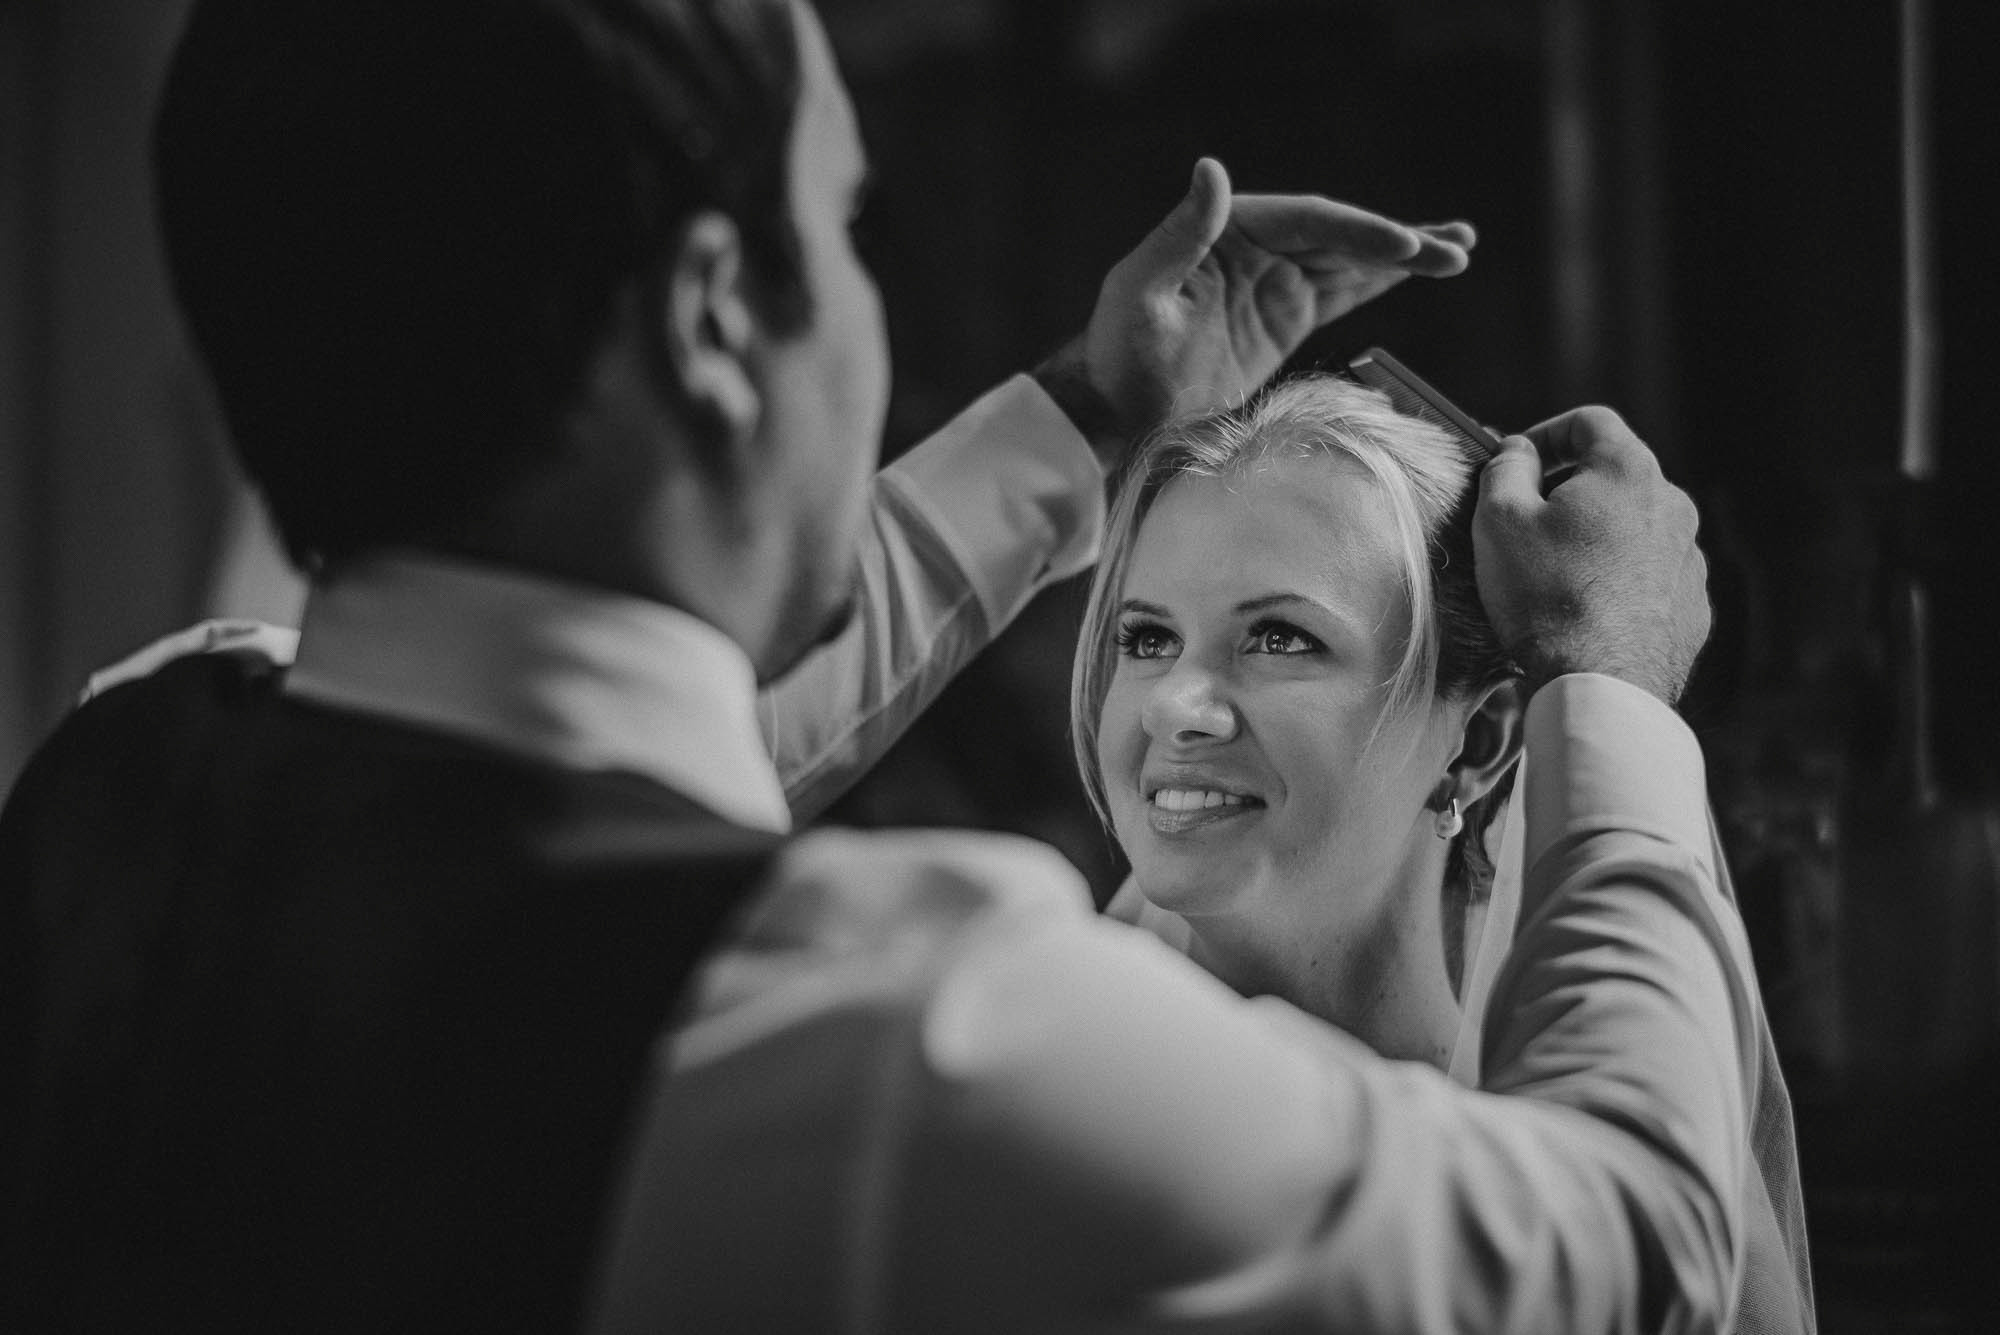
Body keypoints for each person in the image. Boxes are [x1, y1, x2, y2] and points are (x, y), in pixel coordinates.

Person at [0, 2, 1740, 1332]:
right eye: (844, 229)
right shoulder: (894, 1040)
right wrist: (1612, 681)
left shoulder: (137, 754)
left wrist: (1080, 418)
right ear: (710, 318)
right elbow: (1639, 1242)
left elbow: (609, 762)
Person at [1069, 374, 1815, 1330]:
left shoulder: (1568, 1114)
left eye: (1281, 637)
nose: (1175, 704)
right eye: (1147, 638)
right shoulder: (1071, 1092)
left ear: (1480, 742)